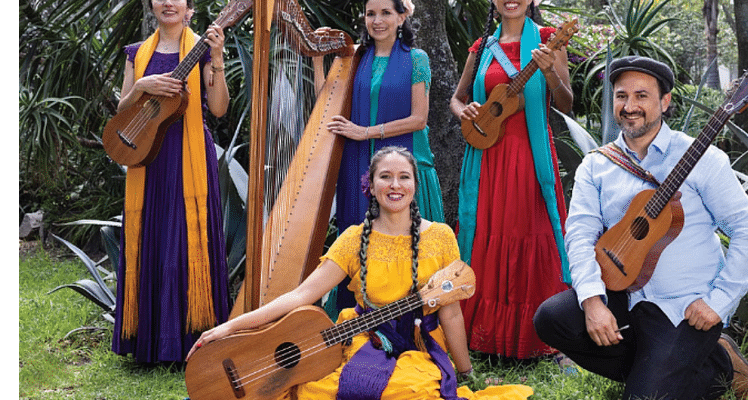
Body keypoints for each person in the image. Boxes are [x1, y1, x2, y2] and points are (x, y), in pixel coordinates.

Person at [188, 146, 533, 399]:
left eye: (403, 177)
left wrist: (465, 371)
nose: (395, 185)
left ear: (415, 184)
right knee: (313, 390)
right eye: (386, 176)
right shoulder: (353, 239)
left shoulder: (440, 236)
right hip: (361, 338)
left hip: (417, 343)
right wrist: (230, 326)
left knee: (414, 391)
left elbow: (451, 311)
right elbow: (301, 296)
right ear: (373, 185)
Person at [533, 56, 748, 400]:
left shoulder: (702, 158)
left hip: (684, 306)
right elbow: (580, 234)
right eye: (621, 96)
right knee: (551, 319)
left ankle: (712, 367)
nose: (630, 106)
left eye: (642, 96)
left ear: (665, 102)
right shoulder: (597, 164)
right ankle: (691, 366)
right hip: (623, 292)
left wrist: (718, 302)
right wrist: (593, 302)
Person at [449, 0, 573, 359]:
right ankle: (482, 335)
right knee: (486, 234)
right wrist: (467, 110)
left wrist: (550, 72)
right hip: (487, 159)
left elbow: (565, 102)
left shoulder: (551, 40)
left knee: (528, 233)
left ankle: (539, 335)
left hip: (529, 159)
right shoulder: (481, 46)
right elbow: (456, 100)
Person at [111, 0, 230, 363]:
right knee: (153, 235)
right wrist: (143, 85)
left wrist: (219, 58)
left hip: (189, 153)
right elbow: (122, 109)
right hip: (148, 154)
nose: (168, 3)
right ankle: (150, 341)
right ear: (152, 6)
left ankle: (191, 339)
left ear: (189, 8)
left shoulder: (202, 50)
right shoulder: (137, 53)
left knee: (184, 235)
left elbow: (221, 108)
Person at [312, 0, 445, 314]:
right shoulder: (354, 58)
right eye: (371, 13)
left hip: (404, 164)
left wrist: (365, 132)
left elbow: (419, 119)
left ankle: (410, 322)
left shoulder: (417, 59)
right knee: (357, 240)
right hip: (358, 164)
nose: (377, 20)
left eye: (386, 12)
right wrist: (318, 61)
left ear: (402, 16)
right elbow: (326, 107)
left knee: (407, 245)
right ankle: (354, 319)